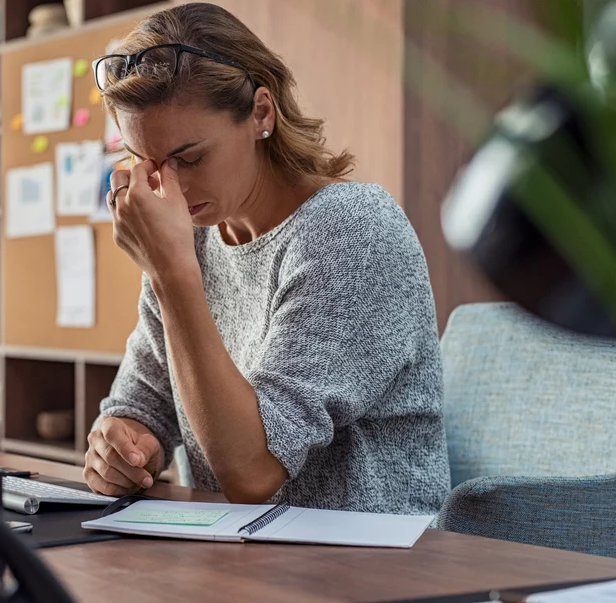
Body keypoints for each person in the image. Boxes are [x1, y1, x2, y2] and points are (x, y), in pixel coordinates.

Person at [83, 2, 450, 513]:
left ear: (261, 112)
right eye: (148, 163)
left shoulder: (352, 231)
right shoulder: (192, 239)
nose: (170, 187)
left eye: (190, 158)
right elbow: (143, 401)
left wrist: (171, 273)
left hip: (373, 568)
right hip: (242, 560)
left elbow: (253, 471)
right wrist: (121, 444)